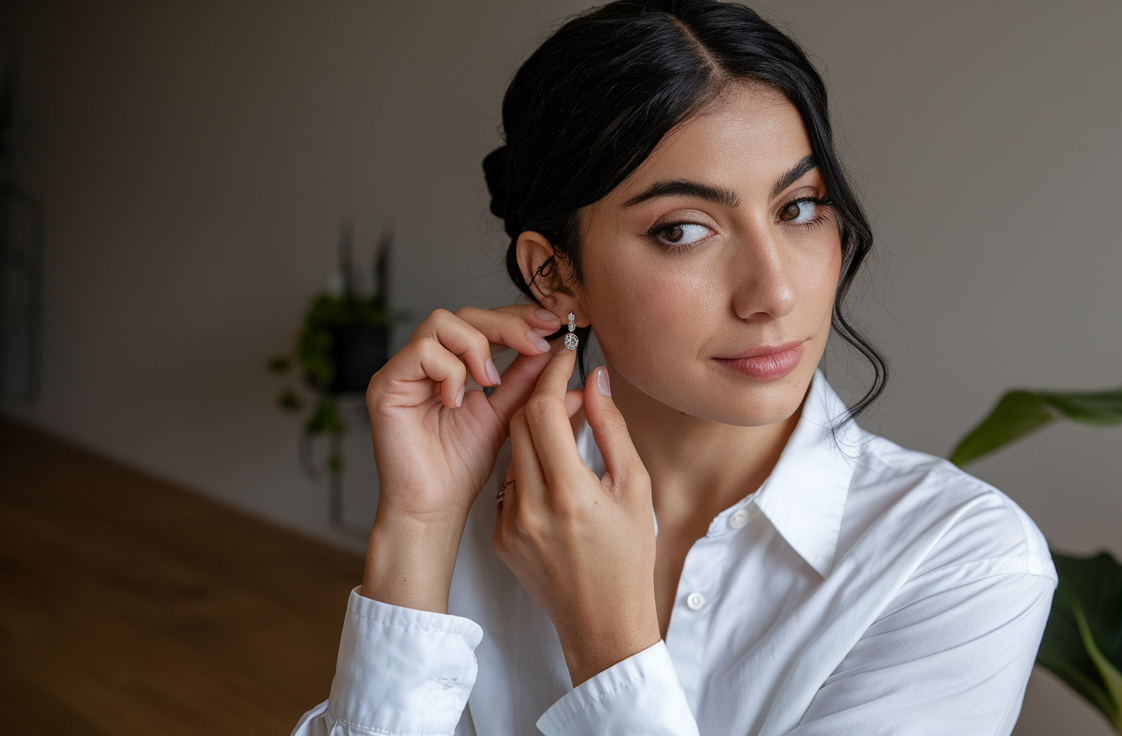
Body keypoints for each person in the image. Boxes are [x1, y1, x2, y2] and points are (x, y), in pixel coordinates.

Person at [294, 1, 1056, 734]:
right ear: (555, 276)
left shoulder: (965, 564)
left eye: (798, 209)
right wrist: (420, 527)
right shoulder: (485, 506)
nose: (774, 292)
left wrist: (610, 643)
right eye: (685, 230)